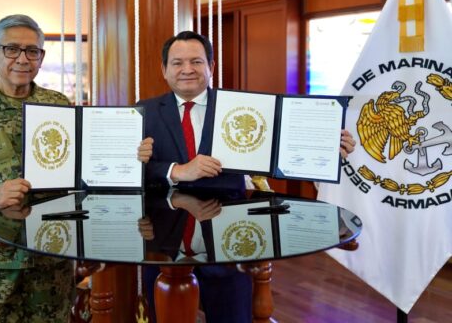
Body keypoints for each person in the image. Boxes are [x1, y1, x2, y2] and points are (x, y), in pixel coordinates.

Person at [0, 14, 153, 322]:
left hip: (52, 261)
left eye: (32, 51)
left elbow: (84, 172)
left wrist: (128, 154)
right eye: (12, 49)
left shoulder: (57, 104)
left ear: (41, 57)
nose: (22, 59)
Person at [138, 30, 356, 323]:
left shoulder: (244, 108)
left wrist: (327, 147)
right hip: (163, 244)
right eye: (177, 63)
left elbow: (281, 149)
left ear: (211, 67)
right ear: (164, 69)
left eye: (196, 61)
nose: (187, 69)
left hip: (230, 240)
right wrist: (177, 170)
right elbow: (129, 169)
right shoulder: (144, 111)